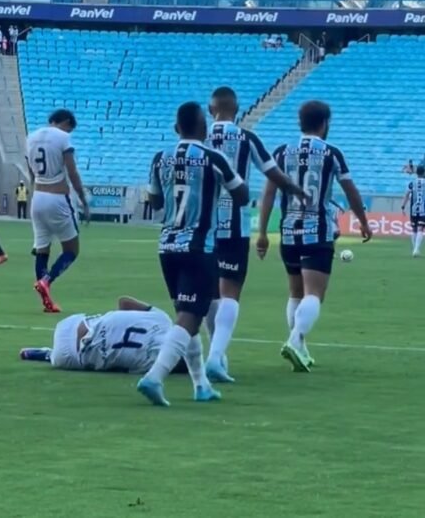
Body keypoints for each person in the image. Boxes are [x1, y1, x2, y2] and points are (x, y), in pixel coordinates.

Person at [136, 102, 248, 408]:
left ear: (177, 129)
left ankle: (201, 385)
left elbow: (156, 202)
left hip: (167, 247)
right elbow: (242, 195)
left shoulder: (160, 159)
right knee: (188, 317)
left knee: (189, 314)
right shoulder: (214, 157)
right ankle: (154, 377)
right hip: (200, 248)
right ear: (205, 129)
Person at [257, 100, 372, 372]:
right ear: (324, 124)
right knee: (314, 294)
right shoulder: (331, 153)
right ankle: (295, 339)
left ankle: (301, 348)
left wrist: (262, 232)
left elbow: (269, 194)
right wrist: (363, 221)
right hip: (316, 231)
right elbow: (351, 190)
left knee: (295, 291)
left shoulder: (282, 152)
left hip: (288, 232)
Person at [204, 86, 307, 383]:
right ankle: (215, 357)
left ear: (211, 110)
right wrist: (296, 190)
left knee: (212, 294)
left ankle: (217, 355)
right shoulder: (246, 138)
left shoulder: (199, 138)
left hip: (202, 228)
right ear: (237, 110)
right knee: (230, 294)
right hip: (234, 227)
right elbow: (273, 173)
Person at [26, 109, 89, 313]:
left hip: (37, 197)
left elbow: (30, 173)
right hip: (57, 197)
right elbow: (72, 171)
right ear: (66, 122)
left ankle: (47, 301)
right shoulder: (63, 138)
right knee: (71, 250)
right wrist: (82, 200)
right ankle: (47, 280)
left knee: (42, 248)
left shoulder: (31, 138)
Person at [20, 296, 178, 374]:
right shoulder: (151, 367)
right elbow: (117, 368)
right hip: (67, 358)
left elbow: (123, 301)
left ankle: (48, 353)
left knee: (102, 321)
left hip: (68, 326)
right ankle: (48, 355)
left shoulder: (163, 319)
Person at [402, 165, 425, 257]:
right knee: (420, 228)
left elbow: (406, 195)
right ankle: (416, 249)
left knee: (414, 229)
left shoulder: (412, 183)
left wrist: (403, 206)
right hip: (423, 209)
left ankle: (414, 249)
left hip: (413, 209)